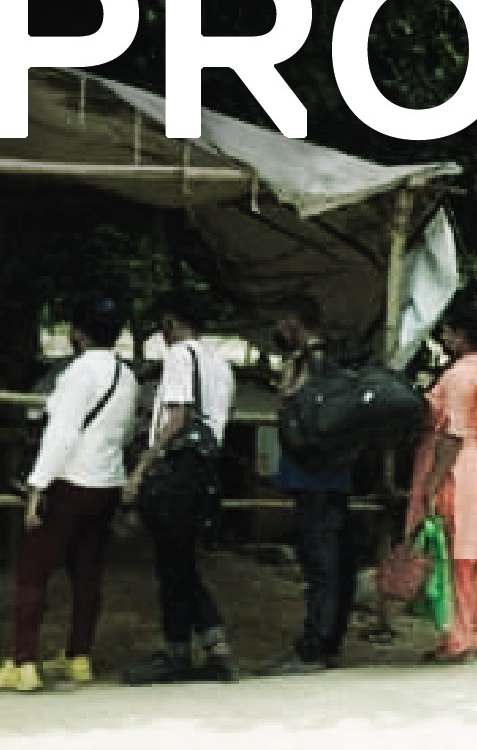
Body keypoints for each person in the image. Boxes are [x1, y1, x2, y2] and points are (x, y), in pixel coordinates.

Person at [0, 298, 136, 692]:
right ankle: (78, 656)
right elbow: (126, 432)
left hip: (69, 481)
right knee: (88, 571)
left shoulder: (76, 374)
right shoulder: (127, 376)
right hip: (106, 481)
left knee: (33, 570)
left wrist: (37, 487)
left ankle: (24, 662)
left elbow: (61, 434)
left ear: (79, 333)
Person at [117, 293, 241, 685]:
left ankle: (177, 651)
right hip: (205, 467)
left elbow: (177, 417)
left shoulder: (178, 357)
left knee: (173, 563)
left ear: (171, 324)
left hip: (177, 467)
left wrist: (142, 464)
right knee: (181, 560)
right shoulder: (220, 364)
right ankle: (214, 647)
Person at [404, 303, 477, 662]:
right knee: (471, 559)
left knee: (452, 556)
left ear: (462, 336)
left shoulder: (461, 376)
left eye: (449, 332)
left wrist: (431, 484)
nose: (445, 338)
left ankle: (456, 637)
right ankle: (468, 632)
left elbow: (453, 434)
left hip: (456, 469)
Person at [255, 295, 354, 677]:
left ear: (295, 322)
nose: (278, 331)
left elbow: (291, 406)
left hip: (316, 478)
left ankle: (314, 647)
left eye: (282, 322)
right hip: (332, 477)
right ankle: (329, 642)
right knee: (332, 562)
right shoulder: (331, 360)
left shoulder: (311, 363)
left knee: (320, 564)